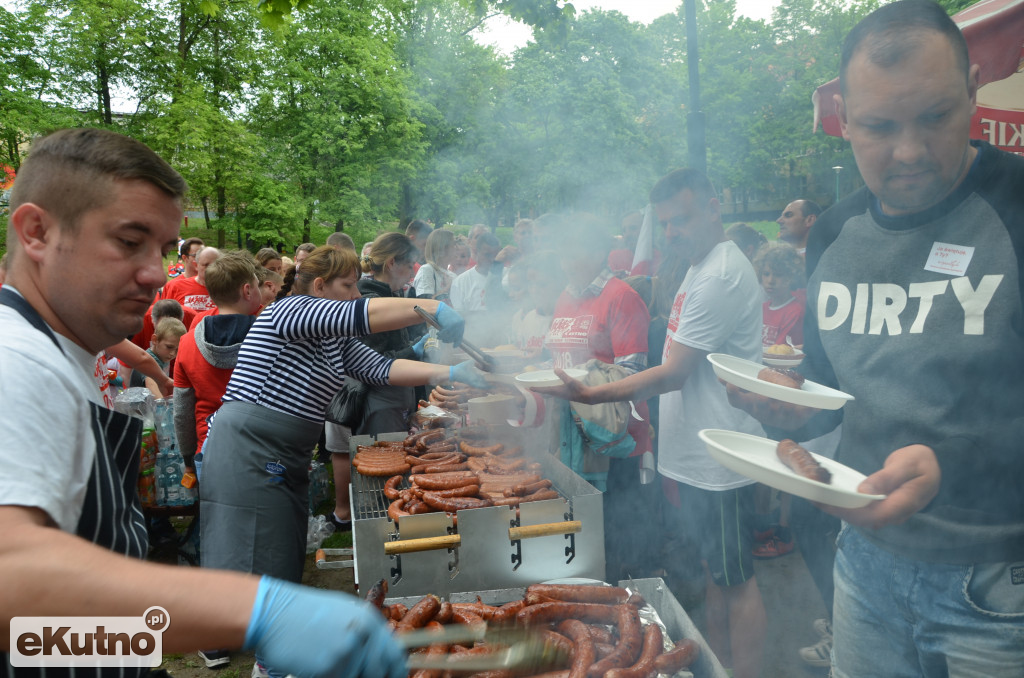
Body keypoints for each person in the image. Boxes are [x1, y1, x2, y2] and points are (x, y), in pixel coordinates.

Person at [0, 127, 407, 678]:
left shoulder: (61, 355)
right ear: (36, 232)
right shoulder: (14, 358)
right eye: (128, 241)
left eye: (163, 249)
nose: (153, 273)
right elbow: (12, 578)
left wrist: (143, 658)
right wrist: (257, 611)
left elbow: (34, 637)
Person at [727, 2, 1024, 675]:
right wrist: (788, 407)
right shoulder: (832, 234)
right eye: (880, 127)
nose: (910, 151)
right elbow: (833, 391)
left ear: (974, 87)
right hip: (862, 569)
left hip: (1000, 587)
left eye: (936, 116)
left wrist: (954, 462)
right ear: (845, 120)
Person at [199, 244, 482, 676]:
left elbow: (383, 369)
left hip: (283, 453)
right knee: (258, 555)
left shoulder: (334, 342)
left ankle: (272, 659)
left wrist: (448, 374)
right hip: (248, 448)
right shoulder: (288, 312)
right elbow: (360, 313)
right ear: (318, 287)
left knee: (281, 555)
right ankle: (269, 663)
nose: (354, 294)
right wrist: (431, 307)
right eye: (347, 286)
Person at [536, 170, 767, 678]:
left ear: (714, 207)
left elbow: (673, 373)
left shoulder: (722, 273)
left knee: (737, 578)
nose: (672, 233)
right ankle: (722, 666)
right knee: (714, 573)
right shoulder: (697, 266)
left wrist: (592, 393)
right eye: (664, 224)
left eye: (681, 219)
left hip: (722, 456)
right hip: (699, 453)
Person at [174, 250, 263, 473]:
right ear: (248, 290)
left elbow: (182, 411)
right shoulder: (268, 338)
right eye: (258, 285)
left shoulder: (186, 344)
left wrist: (188, 459)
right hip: (263, 449)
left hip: (209, 449)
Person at [353, 233, 425, 435]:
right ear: (392, 263)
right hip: (379, 403)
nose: (412, 274)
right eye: (410, 265)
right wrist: (415, 350)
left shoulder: (391, 294)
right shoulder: (371, 302)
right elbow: (372, 364)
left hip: (397, 400)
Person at [754, 243, 805, 349]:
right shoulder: (762, 308)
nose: (770, 281)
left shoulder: (795, 311)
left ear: (791, 277)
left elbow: (779, 352)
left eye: (778, 275)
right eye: (766, 274)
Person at [128, 316, 187, 395]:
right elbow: (152, 386)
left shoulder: (163, 356)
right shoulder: (149, 361)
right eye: (169, 347)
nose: (173, 353)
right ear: (155, 340)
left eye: (177, 349)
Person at [158, 245, 220, 314]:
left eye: (215, 264)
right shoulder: (176, 287)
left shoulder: (227, 290)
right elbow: (165, 317)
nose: (211, 268)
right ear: (196, 265)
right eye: (206, 265)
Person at [413, 228, 457, 301]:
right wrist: (447, 288)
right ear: (443, 248)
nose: (456, 248)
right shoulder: (427, 270)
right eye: (453, 245)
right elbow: (425, 304)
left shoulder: (454, 276)